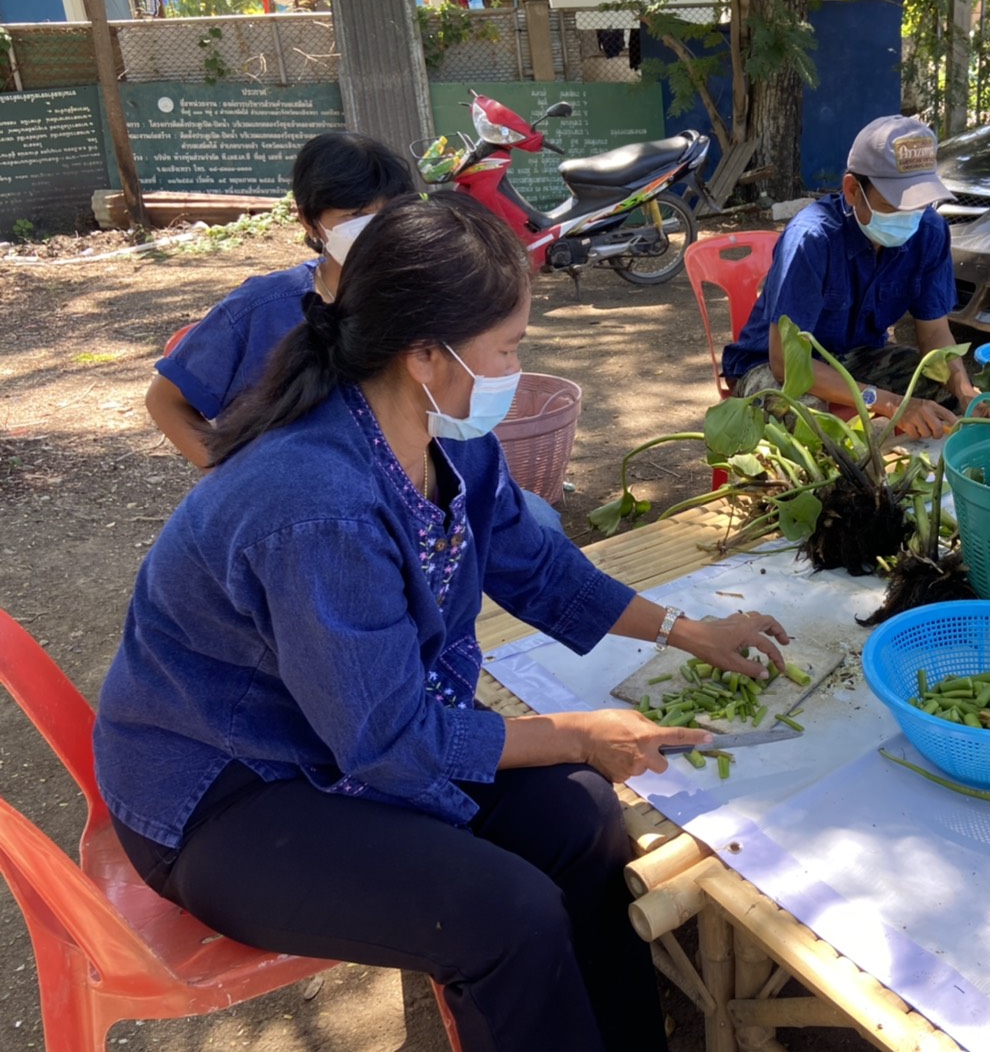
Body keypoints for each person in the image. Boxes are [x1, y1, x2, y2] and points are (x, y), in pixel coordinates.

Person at [94, 194, 790, 1051]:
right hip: (229, 788)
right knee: (507, 918)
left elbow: (538, 566)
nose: (516, 369)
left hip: (343, 733)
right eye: (509, 348)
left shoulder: (445, 433)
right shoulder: (317, 506)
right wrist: (577, 732)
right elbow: (388, 741)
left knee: (580, 816)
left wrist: (689, 630)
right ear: (425, 353)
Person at [144, 130, 565, 529]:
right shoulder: (259, 310)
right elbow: (165, 400)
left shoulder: (427, 293)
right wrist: (236, 485)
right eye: (355, 215)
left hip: (412, 497)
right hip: (315, 512)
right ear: (310, 222)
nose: (375, 226)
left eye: (389, 210)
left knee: (538, 520)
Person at [720, 115, 977, 440]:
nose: (909, 217)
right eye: (893, 204)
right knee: (809, 421)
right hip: (770, 366)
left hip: (857, 357)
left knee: (944, 396)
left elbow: (936, 334)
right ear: (853, 190)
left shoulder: (929, 232)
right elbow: (786, 363)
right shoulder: (812, 239)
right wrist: (888, 402)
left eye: (919, 204)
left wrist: (966, 393)